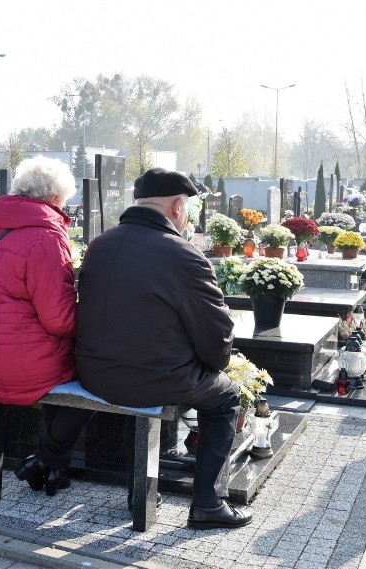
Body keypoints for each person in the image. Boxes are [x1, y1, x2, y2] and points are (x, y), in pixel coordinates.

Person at [75, 167, 253, 530]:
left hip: (94, 373)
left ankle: (139, 492)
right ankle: (207, 503)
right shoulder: (183, 255)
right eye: (185, 206)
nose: (185, 214)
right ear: (176, 207)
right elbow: (217, 337)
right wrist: (214, 366)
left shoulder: (100, 245)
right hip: (150, 379)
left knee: (148, 377)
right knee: (226, 397)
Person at [0, 156, 91, 496]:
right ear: (55, 199)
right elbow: (59, 319)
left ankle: (50, 468)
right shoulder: (46, 238)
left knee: (60, 360)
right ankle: (46, 461)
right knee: (92, 373)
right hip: (20, 366)